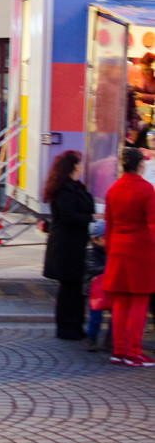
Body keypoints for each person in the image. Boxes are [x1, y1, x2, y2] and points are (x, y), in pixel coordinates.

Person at [103, 146, 155, 367]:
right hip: (141, 251)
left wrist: (110, 250)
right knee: (139, 301)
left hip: (117, 249)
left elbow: (109, 226)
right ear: (141, 165)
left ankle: (118, 351)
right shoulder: (147, 190)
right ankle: (134, 351)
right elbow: (153, 225)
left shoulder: (113, 189)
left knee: (121, 301)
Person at [43, 149, 94, 340]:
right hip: (66, 246)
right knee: (69, 288)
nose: (81, 166)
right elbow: (69, 216)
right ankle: (66, 328)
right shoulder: (64, 190)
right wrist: (91, 218)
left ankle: (76, 326)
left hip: (76, 244)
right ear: (73, 167)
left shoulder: (76, 186)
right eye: (79, 163)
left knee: (76, 287)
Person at [84, 218, 109, 352]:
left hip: (109, 288)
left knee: (115, 314)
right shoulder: (90, 252)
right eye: (104, 237)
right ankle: (92, 338)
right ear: (94, 239)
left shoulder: (110, 250)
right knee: (96, 317)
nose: (108, 240)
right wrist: (109, 267)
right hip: (95, 292)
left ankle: (110, 339)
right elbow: (93, 268)